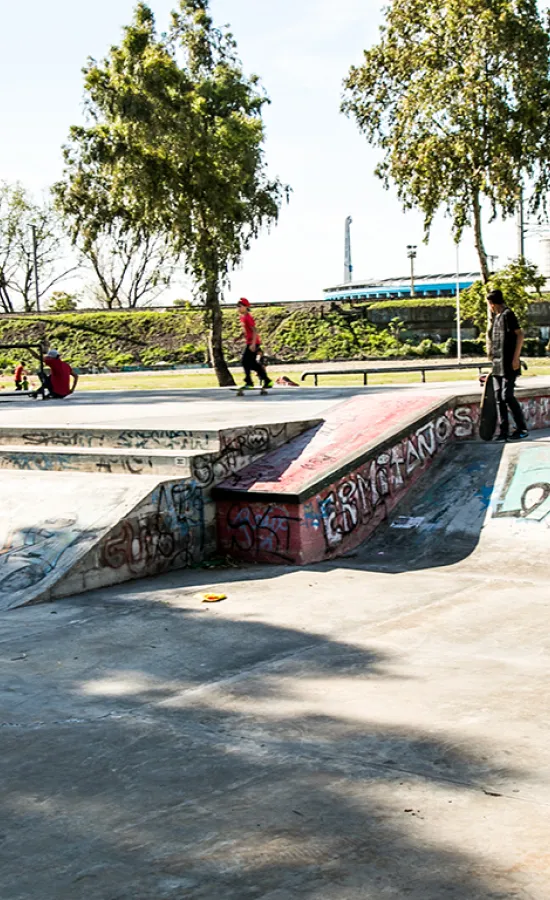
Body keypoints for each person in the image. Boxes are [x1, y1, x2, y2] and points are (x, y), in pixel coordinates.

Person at [487, 289, 528, 441]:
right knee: (499, 397)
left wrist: (516, 358)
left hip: (509, 362)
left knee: (507, 396)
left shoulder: (508, 314)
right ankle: (503, 431)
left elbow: (520, 334)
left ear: (492, 303)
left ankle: (522, 428)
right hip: (497, 363)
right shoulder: (496, 317)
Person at [237, 297, 273, 391]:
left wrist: (253, 344)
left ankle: (249, 382)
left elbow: (254, 331)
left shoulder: (248, 317)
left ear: (246, 307)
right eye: (237, 306)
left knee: (245, 361)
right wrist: (239, 337)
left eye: (240, 306)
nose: (238, 308)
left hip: (253, 343)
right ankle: (267, 380)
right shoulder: (243, 317)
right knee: (252, 364)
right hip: (250, 342)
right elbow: (246, 330)